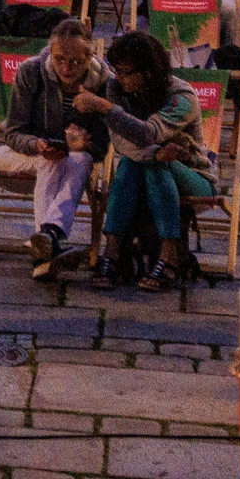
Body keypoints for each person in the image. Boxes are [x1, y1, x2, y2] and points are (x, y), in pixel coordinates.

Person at [0, 17, 107, 281]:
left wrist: (87, 142)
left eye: (75, 61)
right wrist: (37, 145)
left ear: (90, 56)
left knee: (79, 158)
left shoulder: (104, 82)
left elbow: (104, 144)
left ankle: (47, 240)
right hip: (11, 153)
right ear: (50, 52)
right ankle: (51, 236)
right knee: (50, 159)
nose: (66, 67)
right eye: (60, 59)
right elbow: (12, 132)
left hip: (68, 160)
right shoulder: (32, 72)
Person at [89, 30, 210, 290]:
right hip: (146, 168)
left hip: (194, 176)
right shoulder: (116, 88)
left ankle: (164, 255)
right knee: (136, 163)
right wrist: (154, 153)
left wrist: (107, 109)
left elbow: (148, 133)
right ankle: (114, 251)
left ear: (149, 72)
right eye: (116, 71)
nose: (117, 78)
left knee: (153, 164)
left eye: (126, 72)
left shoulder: (182, 97)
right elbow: (121, 143)